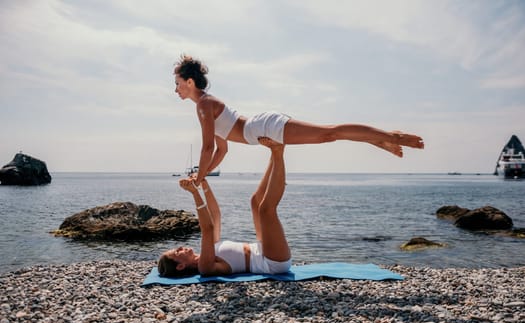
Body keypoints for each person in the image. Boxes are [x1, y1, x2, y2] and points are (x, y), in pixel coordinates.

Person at [173, 54, 425, 186]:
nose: (176, 90)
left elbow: (207, 148)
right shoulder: (205, 105)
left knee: (329, 133)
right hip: (260, 128)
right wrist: (203, 175)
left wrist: (200, 177)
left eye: (178, 84)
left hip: (263, 127)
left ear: (190, 81)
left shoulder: (204, 105)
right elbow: (221, 149)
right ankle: (377, 141)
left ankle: (392, 136)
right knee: (329, 135)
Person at [158, 138, 291, 277]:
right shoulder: (205, 267)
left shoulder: (209, 251)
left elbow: (215, 215)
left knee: (255, 202)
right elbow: (207, 229)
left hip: (261, 247)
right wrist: (194, 193)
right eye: (176, 252)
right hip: (271, 262)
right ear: (180, 266)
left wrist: (204, 184)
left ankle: (274, 154)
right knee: (266, 210)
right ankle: (278, 151)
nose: (180, 248)